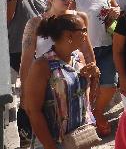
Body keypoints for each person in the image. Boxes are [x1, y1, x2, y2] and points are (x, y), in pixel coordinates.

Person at [21, 13, 99, 149]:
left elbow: (88, 101)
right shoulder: (42, 66)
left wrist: (94, 78)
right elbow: (33, 110)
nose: (86, 34)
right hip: (53, 143)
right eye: (83, 31)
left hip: (80, 138)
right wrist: (50, 146)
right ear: (69, 36)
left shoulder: (78, 59)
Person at [70, 0, 121, 136]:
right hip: (84, 50)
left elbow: (117, 9)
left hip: (107, 46)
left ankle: (97, 112)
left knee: (110, 84)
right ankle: (88, 116)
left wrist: (117, 11)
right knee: (86, 87)